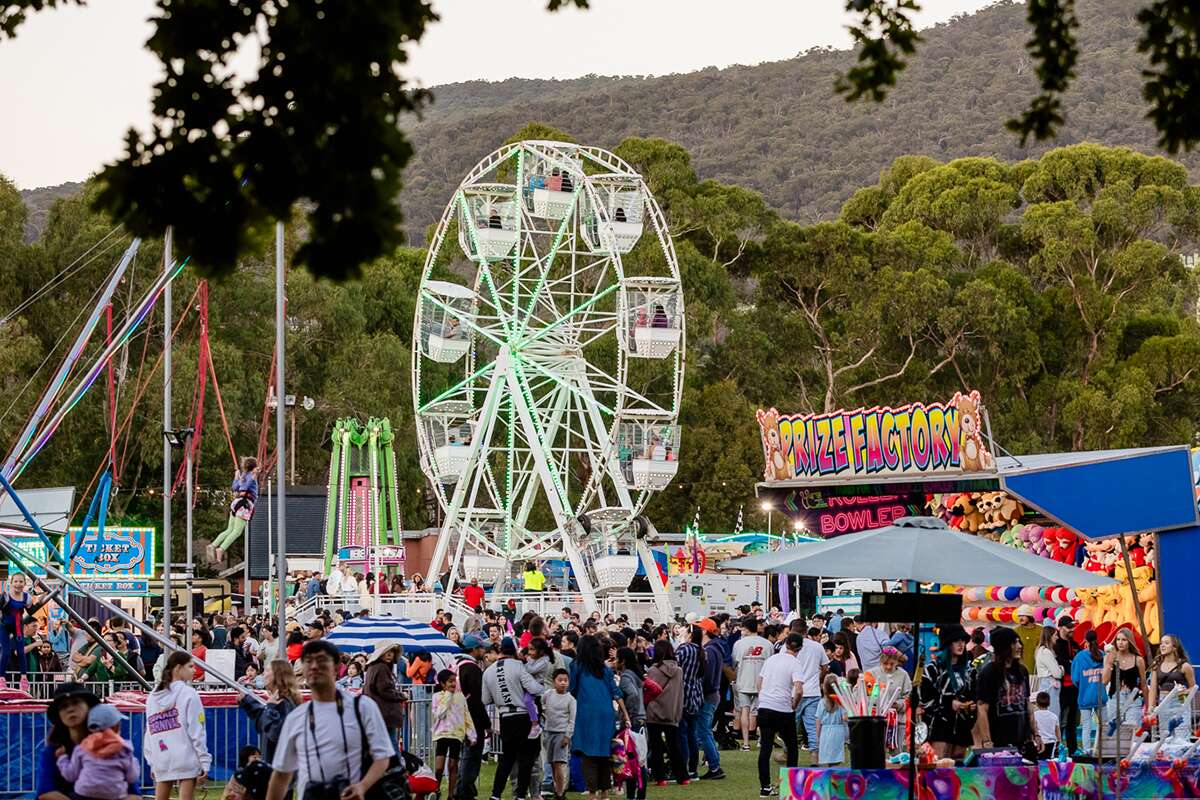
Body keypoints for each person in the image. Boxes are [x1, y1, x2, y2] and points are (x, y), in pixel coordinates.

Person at [266, 639, 394, 800]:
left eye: (321, 661)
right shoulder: (296, 718)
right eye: (308, 661)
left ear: (336, 667)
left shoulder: (363, 707)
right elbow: (281, 775)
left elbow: (383, 756)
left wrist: (362, 786)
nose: (314, 666)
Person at [36, 682, 141, 800]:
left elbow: (134, 795)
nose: (70, 709)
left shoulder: (113, 746)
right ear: (59, 715)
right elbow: (46, 793)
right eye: (64, 706)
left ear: (89, 707)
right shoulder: (54, 750)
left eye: (76, 702)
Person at [483, 637, 545, 800]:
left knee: (507, 758)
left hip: (505, 717)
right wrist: (545, 688)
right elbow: (533, 688)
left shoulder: (489, 671)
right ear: (514, 651)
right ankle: (520, 796)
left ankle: (496, 795)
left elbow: (485, 699)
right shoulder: (519, 666)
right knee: (526, 759)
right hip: (523, 716)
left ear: (501, 651)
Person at [144, 652, 211, 800]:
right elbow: (197, 730)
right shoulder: (189, 694)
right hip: (186, 756)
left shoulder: (152, 697)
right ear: (178, 668)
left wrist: (152, 760)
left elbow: (150, 732)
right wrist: (204, 759)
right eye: (191, 666)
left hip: (161, 756)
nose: (194, 670)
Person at [570, 634, 628, 800]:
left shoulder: (577, 666)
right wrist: (625, 714)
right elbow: (616, 693)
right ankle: (605, 792)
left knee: (589, 756)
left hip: (587, 713)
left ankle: (592, 793)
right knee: (604, 753)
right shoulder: (605, 669)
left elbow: (572, 688)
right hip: (607, 714)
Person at [755, 633, 806, 798]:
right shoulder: (795, 663)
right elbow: (798, 689)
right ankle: (790, 786)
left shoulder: (772, 659)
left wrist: (763, 696)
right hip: (783, 709)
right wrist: (794, 705)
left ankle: (765, 787)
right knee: (791, 747)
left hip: (765, 706)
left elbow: (759, 682)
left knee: (765, 747)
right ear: (799, 648)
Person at [54, 703, 139, 800]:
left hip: (84, 793)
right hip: (114, 794)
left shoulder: (83, 747)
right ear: (116, 727)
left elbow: (71, 775)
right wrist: (134, 761)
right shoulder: (124, 749)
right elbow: (132, 777)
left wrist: (62, 758)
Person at [917, 624, 977, 759]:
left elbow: (975, 694)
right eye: (956, 641)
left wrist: (972, 705)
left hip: (963, 726)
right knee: (940, 764)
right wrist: (949, 703)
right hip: (940, 725)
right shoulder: (932, 669)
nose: (961, 644)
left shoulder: (970, 670)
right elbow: (925, 700)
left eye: (963, 641)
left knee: (959, 766)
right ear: (947, 644)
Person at [975, 626, 1034, 751]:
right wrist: (986, 741)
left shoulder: (1022, 671)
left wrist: (1036, 733)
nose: (1019, 646)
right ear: (1004, 647)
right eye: (1014, 643)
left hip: (1023, 739)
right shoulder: (989, 672)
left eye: (1019, 642)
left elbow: (1028, 704)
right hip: (999, 740)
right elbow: (982, 708)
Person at [239, 659, 300, 763]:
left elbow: (275, 732)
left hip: (280, 766)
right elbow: (263, 723)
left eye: (267, 671)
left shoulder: (284, 702)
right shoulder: (277, 700)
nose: (263, 675)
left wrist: (270, 707)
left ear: (277, 676)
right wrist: (247, 702)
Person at [645, 640, 687, 787]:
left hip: (653, 712)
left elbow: (649, 692)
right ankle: (682, 776)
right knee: (675, 746)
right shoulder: (679, 671)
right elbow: (680, 693)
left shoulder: (652, 671)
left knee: (656, 747)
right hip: (672, 712)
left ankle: (660, 778)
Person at [455, 635, 491, 800]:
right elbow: (477, 700)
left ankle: (459, 789)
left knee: (463, 756)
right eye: (482, 648)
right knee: (471, 757)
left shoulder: (456, 665)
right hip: (472, 719)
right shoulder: (472, 669)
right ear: (474, 649)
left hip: (456, 717)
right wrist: (486, 723)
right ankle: (465, 791)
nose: (484, 651)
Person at [432, 669, 475, 800]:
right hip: (442, 734)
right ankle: (435, 790)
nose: (453, 684)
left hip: (456, 734)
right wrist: (448, 696)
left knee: (453, 765)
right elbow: (439, 714)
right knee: (439, 767)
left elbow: (466, 716)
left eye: (454, 681)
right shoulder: (437, 697)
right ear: (442, 683)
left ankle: (451, 795)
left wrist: (472, 735)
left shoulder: (461, 696)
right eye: (450, 681)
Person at [1, 573, 49, 690]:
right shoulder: (6, 596)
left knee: (21, 653)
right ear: (11, 583)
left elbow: (31, 609)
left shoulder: (26, 597)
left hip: (17, 627)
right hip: (4, 626)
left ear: (24, 583)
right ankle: (1, 678)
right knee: (6, 652)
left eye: (21, 582)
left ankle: (24, 678)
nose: (18, 584)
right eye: (16, 581)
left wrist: (43, 597)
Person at [731, 616, 770, 752]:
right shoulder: (767, 644)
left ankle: (746, 743)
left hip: (743, 681)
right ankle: (762, 740)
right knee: (761, 712)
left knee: (744, 710)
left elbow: (734, 663)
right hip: (762, 683)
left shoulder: (739, 644)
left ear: (746, 629)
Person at [209, 457, 259, 562]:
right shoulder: (250, 477)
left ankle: (213, 545)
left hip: (236, 504)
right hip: (244, 505)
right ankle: (221, 549)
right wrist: (254, 476)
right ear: (254, 467)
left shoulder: (243, 476)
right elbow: (246, 486)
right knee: (237, 532)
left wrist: (236, 476)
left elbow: (234, 487)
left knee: (229, 530)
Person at [1148, 633, 1194, 741]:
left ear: (1174, 647)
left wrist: (1183, 692)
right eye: (1161, 643)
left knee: (1181, 737)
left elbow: (1193, 687)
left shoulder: (1184, 666)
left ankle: (1181, 757)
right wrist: (1151, 706)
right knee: (1166, 736)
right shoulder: (1157, 665)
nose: (1162, 646)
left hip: (1180, 701)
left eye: (1166, 643)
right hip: (1164, 702)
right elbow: (1153, 688)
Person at [363, 639, 407, 751]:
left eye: (392, 651)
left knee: (382, 744)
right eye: (386, 651)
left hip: (377, 712)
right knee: (391, 744)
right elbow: (385, 690)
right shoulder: (381, 667)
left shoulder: (373, 667)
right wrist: (402, 695)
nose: (389, 654)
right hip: (384, 713)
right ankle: (396, 767)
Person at [1102, 627, 1146, 736]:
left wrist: (1148, 706)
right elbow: (1104, 681)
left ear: (1129, 641)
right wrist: (1109, 663)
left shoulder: (1138, 660)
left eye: (1124, 640)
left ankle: (1132, 752)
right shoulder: (1109, 657)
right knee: (1115, 734)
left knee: (1133, 732)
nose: (1120, 643)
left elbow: (1143, 684)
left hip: (1133, 699)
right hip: (1115, 698)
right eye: (1118, 640)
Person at [674, 624, 704, 779]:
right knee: (692, 734)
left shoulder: (683, 649)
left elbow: (673, 666)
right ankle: (693, 769)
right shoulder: (700, 650)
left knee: (683, 734)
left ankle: (683, 768)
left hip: (682, 694)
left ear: (690, 634)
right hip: (696, 694)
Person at [795, 626, 830, 755]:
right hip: (813, 691)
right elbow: (825, 667)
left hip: (795, 691)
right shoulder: (817, 646)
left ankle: (788, 753)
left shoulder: (787, 646)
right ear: (806, 632)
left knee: (791, 725)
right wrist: (819, 678)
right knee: (812, 726)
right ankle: (815, 755)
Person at [1071, 629, 1107, 755]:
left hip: (1084, 696)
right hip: (1100, 696)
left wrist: (1084, 684)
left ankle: (1086, 751)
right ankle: (1102, 750)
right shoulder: (1103, 655)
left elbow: (1075, 679)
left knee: (1086, 726)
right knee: (1103, 725)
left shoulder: (1079, 657)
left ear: (1085, 641)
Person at [543, 668, 576, 800]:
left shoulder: (571, 699)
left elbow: (572, 719)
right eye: (560, 680)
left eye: (565, 680)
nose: (563, 683)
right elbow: (541, 704)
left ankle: (561, 792)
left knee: (559, 763)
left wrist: (568, 736)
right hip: (549, 733)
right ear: (554, 681)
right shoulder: (548, 694)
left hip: (562, 734)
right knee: (551, 763)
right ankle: (556, 788)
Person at [1053, 615, 1080, 754]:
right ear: (1060, 628)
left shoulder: (1074, 644)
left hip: (1074, 687)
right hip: (1062, 688)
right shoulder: (1056, 645)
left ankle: (1073, 749)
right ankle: (1057, 749)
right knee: (1061, 719)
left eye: (1073, 626)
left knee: (1072, 721)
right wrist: (1071, 664)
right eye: (1069, 627)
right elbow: (1061, 665)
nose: (1072, 630)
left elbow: (1079, 661)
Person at [816, 674, 848, 766]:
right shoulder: (841, 702)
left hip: (825, 731)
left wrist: (818, 735)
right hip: (838, 730)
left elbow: (818, 721)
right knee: (836, 756)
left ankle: (831, 770)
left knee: (827, 755)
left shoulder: (822, 702)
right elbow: (845, 717)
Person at [1035, 626, 1065, 717]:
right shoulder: (1046, 652)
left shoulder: (1041, 651)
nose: (1057, 637)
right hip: (1050, 685)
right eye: (1055, 635)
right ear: (1049, 636)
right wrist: (1062, 668)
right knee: (1053, 715)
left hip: (1047, 684)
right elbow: (1058, 674)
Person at [1014, 605, 1041, 677]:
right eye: (1019, 616)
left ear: (1030, 616)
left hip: (1040, 669)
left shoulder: (1041, 629)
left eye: (1023, 616)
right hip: (1023, 670)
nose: (1020, 618)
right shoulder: (1016, 631)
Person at [1033, 691, 1060, 759]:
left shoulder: (1034, 715)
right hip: (1052, 745)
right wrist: (1059, 743)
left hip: (1039, 744)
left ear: (1037, 703)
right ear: (1049, 703)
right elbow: (1058, 732)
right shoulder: (1054, 716)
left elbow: (1033, 729)